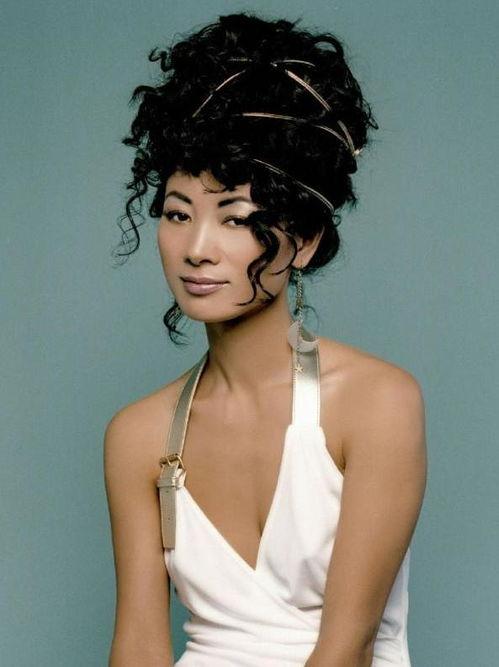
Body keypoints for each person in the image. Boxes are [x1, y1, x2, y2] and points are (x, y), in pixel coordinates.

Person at [104, 12, 427, 667]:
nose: (197, 248)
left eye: (234, 218)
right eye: (177, 213)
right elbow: (137, 646)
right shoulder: (138, 436)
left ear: (302, 241)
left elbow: (347, 647)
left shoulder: (376, 403)